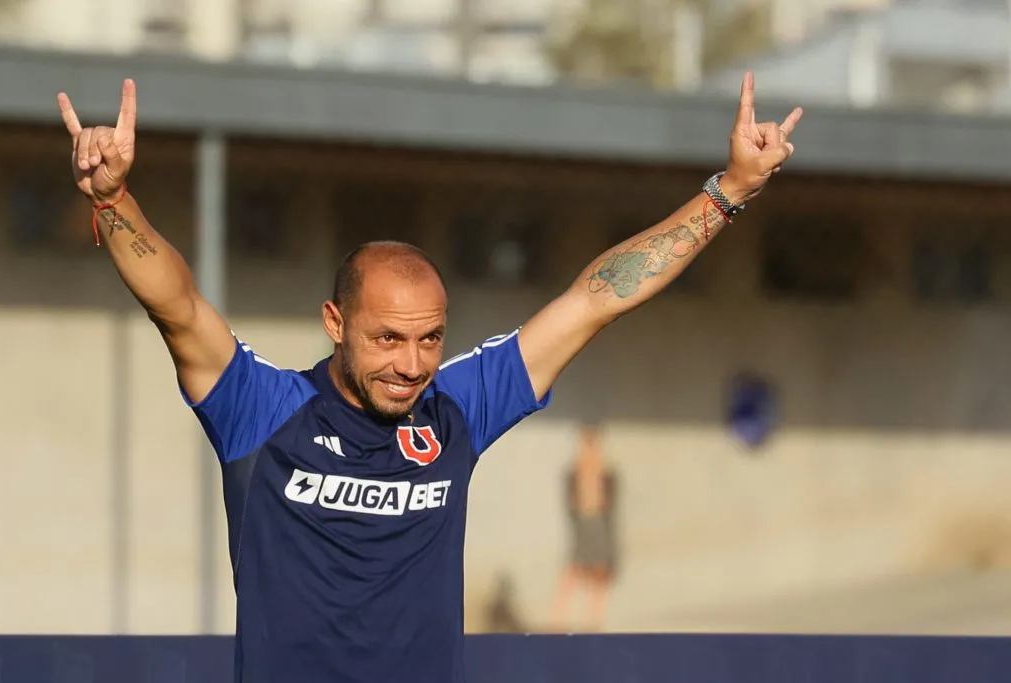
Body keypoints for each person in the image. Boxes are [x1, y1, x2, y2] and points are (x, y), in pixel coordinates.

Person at [55, 72, 801, 683]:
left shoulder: (457, 409)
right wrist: (113, 200)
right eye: (386, 338)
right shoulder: (260, 409)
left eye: (429, 339)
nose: (411, 364)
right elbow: (176, 306)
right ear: (334, 322)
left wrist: (728, 191)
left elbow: (594, 299)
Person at [550, 425, 618, 632]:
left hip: (597, 525)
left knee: (598, 575)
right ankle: (557, 619)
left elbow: (607, 504)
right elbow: (574, 500)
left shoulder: (604, 471)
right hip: (583, 525)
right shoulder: (576, 470)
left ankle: (594, 621)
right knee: (573, 571)